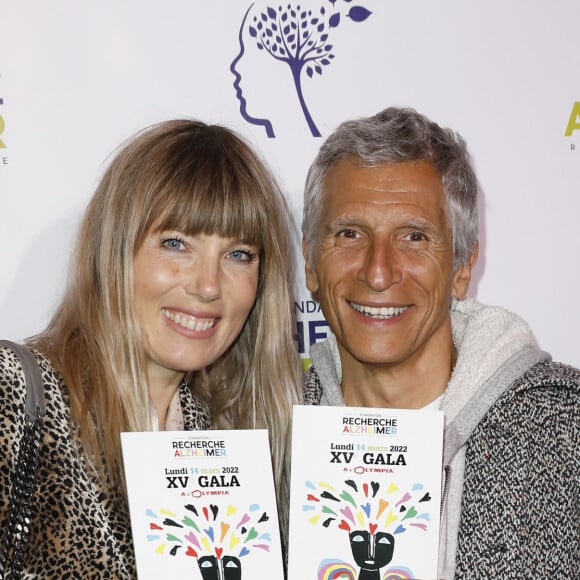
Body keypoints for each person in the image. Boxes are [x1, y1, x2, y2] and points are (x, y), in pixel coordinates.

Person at [0, 119, 301, 577]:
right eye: (177, 244)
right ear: (114, 250)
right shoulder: (15, 393)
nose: (207, 286)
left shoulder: (229, 445)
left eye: (239, 254)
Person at [300, 106, 580, 578]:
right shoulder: (267, 439)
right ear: (309, 262)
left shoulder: (564, 433)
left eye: (413, 237)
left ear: (463, 267)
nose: (378, 271)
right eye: (349, 234)